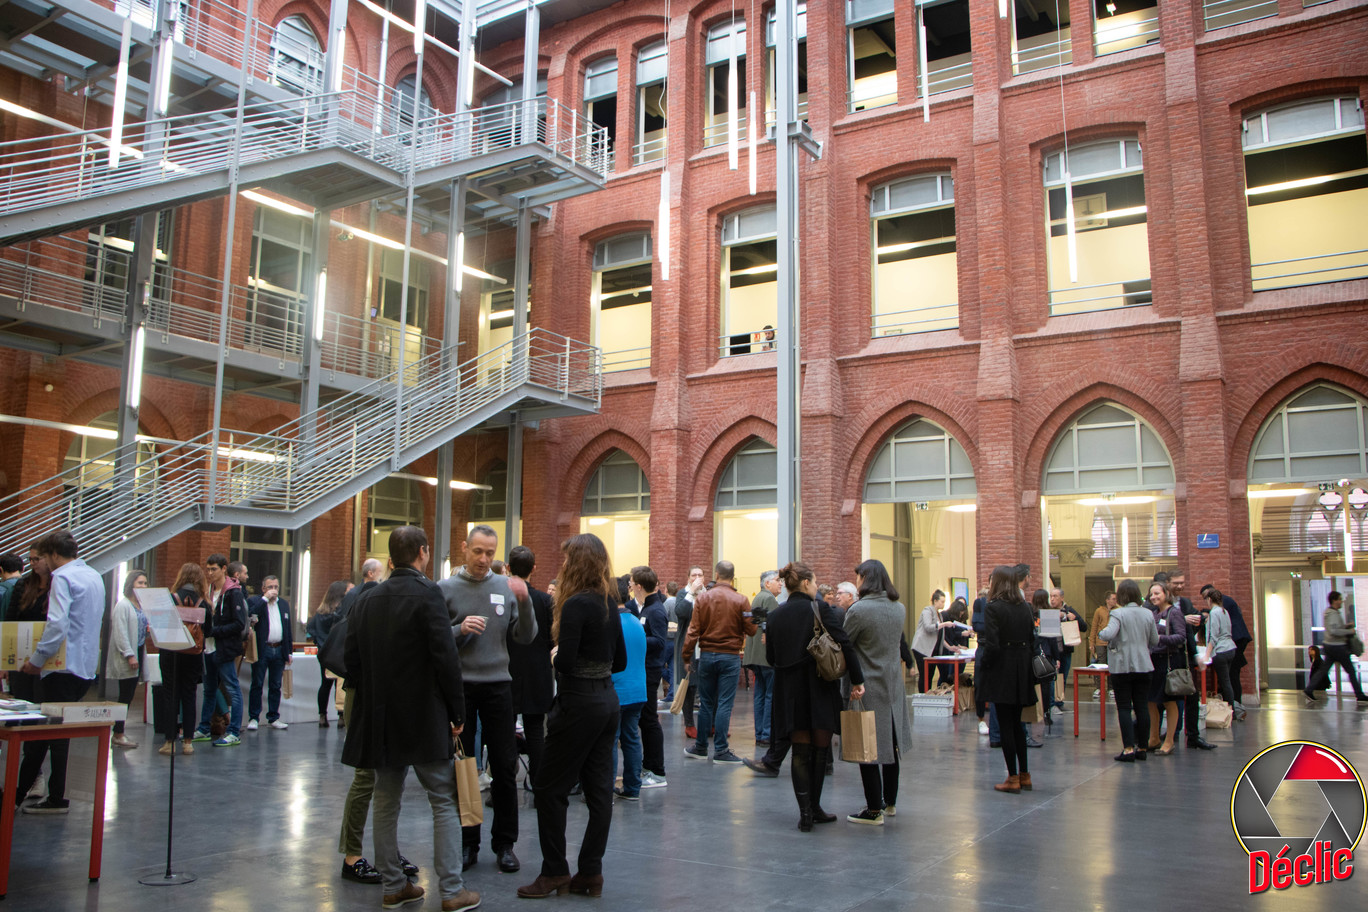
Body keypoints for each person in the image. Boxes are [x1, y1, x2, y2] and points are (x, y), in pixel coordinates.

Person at [342, 525, 479, 912]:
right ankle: (451, 891)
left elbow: (351, 659)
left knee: (386, 801)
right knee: (443, 800)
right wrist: (457, 711)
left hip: (381, 717)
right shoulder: (428, 593)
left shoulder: (367, 598)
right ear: (423, 552)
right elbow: (445, 657)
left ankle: (393, 886)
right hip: (424, 714)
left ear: (390, 559)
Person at [519, 533, 626, 899]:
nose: (562, 565)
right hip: (607, 702)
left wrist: (555, 656)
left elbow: (564, 661)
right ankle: (591, 872)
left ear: (576, 564)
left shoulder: (577, 604)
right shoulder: (609, 601)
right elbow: (621, 661)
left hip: (578, 703)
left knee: (549, 788)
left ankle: (554, 872)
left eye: (566, 560)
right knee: (599, 793)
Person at [438, 523, 536, 874]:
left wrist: (524, 601)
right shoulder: (445, 589)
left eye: (489, 553)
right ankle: (469, 842)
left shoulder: (504, 587)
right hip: (461, 687)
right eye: (477, 551)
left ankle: (505, 843)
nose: (483, 558)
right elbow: (433, 640)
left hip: (498, 686)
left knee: (505, 766)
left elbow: (526, 636)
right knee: (465, 768)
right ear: (465, 548)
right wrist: (459, 629)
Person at [762, 561, 864, 831]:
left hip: (789, 691)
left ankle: (805, 812)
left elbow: (771, 658)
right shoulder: (820, 609)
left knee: (799, 751)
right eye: (816, 582)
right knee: (820, 750)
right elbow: (845, 644)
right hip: (819, 688)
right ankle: (816, 807)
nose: (817, 587)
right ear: (805, 583)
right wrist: (857, 679)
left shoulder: (775, 616)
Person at [9, 530, 105, 814]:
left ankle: (46, 797)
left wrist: (37, 659)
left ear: (53, 554)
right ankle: (22, 794)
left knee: (48, 734)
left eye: (42, 557)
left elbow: (57, 625)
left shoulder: (62, 577)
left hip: (61, 668)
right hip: (84, 667)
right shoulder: (93, 575)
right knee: (57, 733)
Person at [841, 559, 910, 826]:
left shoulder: (859, 610)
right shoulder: (899, 608)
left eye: (858, 577)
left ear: (865, 579)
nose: (856, 581)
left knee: (867, 745)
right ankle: (890, 802)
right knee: (891, 744)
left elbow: (845, 643)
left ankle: (873, 810)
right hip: (892, 684)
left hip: (866, 685)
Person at [682, 560, 758, 763]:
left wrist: (687, 657)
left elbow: (693, 631)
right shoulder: (741, 600)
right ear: (733, 577)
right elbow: (751, 630)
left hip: (707, 655)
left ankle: (700, 747)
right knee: (724, 703)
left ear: (716, 574)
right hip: (730, 656)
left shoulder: (703, 598)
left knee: (706, 703)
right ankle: (721, 750)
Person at [978, 565, 1038, 794]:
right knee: (1018, 725)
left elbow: (992, 645)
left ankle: (1012, 778)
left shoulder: (993, 607)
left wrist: (985, 666)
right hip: (1022, 669)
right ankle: (1025, 775)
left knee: (1005, 725)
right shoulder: (1025, 607)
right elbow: (1032, 639)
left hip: (1003, 669)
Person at [507, 545, 554, 791]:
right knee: (536, 731)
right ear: (534, 568)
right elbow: (552, 638)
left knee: (504, 732)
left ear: (507, 567)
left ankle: (502, 787)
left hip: (507, 670)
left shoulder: (503, 598)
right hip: (537, 672)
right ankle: (538, 786)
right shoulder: (545, 600)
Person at [191, 553, 248, 747]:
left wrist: (214, 631)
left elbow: (239, 623)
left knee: (232, 689)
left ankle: (234, 731)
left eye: (213, 569)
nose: (210, 573)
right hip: (208, 648)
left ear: (224, 569)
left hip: (224, 648)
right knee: (209, 690)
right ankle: (204, 728)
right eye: (208, 569)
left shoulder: (233, 592)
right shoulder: (207, 591)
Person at [1097, 579, 1158, 761]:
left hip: (1122, 667)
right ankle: (1143, 748)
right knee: (1142, 707)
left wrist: (1100, 633)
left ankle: (1128, 749)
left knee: (1124, 707)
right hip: (1144, 666)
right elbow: (1154, 640)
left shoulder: (1118, 613)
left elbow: (1108, 634)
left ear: (1122, 596)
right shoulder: (1148, 613)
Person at [157, 563, 208, 757]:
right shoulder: (203, 602)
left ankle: (169, 742)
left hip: (170, 652)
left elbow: (161, 625)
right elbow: (209, 629)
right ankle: (188, 742)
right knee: (189, 695)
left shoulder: (170, 599)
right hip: (193, 654)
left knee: (170, 695)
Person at [631, 566, 669, 787]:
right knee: (645, 720)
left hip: (651, 670)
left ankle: (657, 771)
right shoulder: (647, 608)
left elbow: (660, 641)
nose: (630, 587)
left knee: (649, 720)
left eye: (631, 584)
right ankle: (648, 766)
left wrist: (636, 638)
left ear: (638, 586)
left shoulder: (655, 610)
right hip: (645, 668)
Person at [610, 583, 647, 801]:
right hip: (638, 690)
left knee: (610, 741)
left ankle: (605, 789)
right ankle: (633, 788)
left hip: (617, 690)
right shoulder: (636, 621)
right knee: (631, 738)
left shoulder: (610, 623)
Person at [105, 568, 149, 748]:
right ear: (131, 584)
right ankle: (118, 733)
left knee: (128, 694)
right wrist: (129, 655)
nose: (143, 586)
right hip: (127, 654)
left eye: (145, 583)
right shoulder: (123, 605)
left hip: (138, 650)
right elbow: (120, 633)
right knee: (125, 695)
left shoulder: (141, 605)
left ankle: (119, 731)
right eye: (140, 583)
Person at [246, 574, 294, 732]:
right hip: (263, 648)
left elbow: (287, 629)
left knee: (276, 685)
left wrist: (288, 652)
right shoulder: (256, 602)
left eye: (276, 587)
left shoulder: (284, 604)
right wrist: (265, 599)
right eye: (270, 587)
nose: (273, 590)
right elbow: (251, 616)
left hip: (279, 648)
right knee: (257, 683)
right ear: (263, 588)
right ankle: (254, 717)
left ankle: (273, 717)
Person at [1304, 590, 1368, 703]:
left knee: (1323, 670)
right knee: (1351, 671)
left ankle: (1309, 689)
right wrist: (1349, 631)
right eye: (1339, 599)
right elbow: (1334, 630)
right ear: (1334, 600)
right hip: (1338, 647)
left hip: (1330, 646)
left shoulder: (1330, 613)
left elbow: (1335, 628)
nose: (1341, 601)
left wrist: (1346, 626)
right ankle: (1359, 695)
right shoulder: (1333, 614)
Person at [1145, 581, 1186, 755]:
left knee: (1169, 701)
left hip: (1169, 661)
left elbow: (1181, 637)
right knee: (1151, 700)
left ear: (1166, 594)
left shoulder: (1174, 612)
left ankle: (1169, 741)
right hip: (1153, 660)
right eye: (1151, 594)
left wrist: (1160, 638)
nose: (1153, 597)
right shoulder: (1153, 614)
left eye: (1157, 593)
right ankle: (1153, 738)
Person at [1201, 583, 1252, 711]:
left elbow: (1213, 636)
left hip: (1222, 650)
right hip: (1231, 648)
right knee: (1229, 679)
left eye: (1205, 598)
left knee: (1226, 682)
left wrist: (1207, 655)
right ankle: (1235, 706)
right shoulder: (1225, 611)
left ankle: (1232, 710)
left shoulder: (1214, 613)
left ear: (1210, 599)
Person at [745, 570, 780, 746]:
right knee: (770, 695)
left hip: (755, 654)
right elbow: (774, 627)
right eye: (777, 581)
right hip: (766, 655)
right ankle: (767, 733)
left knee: (759, 693)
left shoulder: (758, 597)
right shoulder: (770, 599)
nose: (781, 584)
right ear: (767, 583)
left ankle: (760, 733)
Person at [307, 580, 348, 727]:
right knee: (340, 684)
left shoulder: (320, 612)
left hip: (324, 652)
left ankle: (322, 715)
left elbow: (310, 630)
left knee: (325, 684)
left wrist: (319, 642)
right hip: (337, 651)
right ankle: (341, 715)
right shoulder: (340, 613)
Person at [672, 566, 705, 737]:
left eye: (700, 575)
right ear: (688, 578)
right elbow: (681, 613)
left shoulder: (707, 594)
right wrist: (691, 592)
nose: (697, 577)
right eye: (694, 575)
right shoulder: (683, 594)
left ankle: (710, 723)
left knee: (706, 685)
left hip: (705, 646)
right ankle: (689, 724)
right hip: (689, 647)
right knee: (689, 685)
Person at [1050, 588, 1085, 710]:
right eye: (1051, 596)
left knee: (1062, 677)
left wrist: (1072, 618)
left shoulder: (1069, 610)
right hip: (1051, 651)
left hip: (1064, 650)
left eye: (1055, 596)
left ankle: (1059, 702)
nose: (1052, 599)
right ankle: (1050, 703)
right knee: (1051, 678)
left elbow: (1084, 627)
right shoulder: (1048, 611)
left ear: (1062, 598)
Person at [1031, 589, 1061, 730]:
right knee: (1046, 685)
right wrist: (1057, 657)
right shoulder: (1049, 614)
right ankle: (1046, 713)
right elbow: (1052, 639)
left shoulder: (1030, 614)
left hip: (1032, 654)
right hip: (1046, 654)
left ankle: (1032, 713)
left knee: (1032, 684)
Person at [910, 589, 953, 686]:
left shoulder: (939, 615)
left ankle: (928, 692)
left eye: (944, 602)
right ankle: (923, 693)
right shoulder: (927, 611)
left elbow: (939, 636)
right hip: (922, 648)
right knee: (924, 674)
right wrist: (944, 624)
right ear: (935, 601)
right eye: (942, 601)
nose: (943, 604)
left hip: (932, 650)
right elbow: (928, 627)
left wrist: (949, 647)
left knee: (930, 674)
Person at [1089, 591, 1117, 698]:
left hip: (1113, 642)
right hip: (1100, 642)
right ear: (1107, 600)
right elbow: (1094, 627)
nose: (1115, 601)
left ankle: (1111, 688)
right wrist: (1092, 642)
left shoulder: (1118, 610)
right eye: (1113, 599)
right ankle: (1099, 687)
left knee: (1112, 664)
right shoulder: (1099, 611)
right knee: (1100, 664)